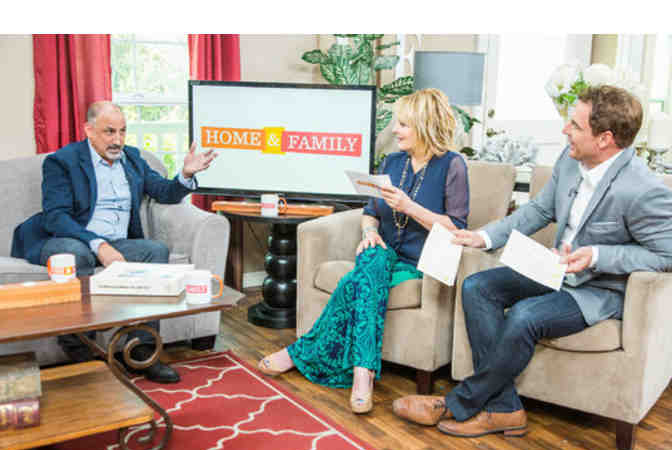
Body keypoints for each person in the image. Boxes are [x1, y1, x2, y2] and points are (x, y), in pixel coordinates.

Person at [392, 85, 672, 437]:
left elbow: (666, 254)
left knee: (525, 316)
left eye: (575, 125)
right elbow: (539, 210)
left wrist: (598, 256)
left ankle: (456, 404)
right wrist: (484, 237)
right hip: (554, 270)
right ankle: (505, 408)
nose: (565, 130)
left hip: (598, 289)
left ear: (605, 139)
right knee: (477, 287)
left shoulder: (642, 189)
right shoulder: (570, 160)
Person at [257, 88, 470, 413]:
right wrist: (369, 231)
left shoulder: (452, 166)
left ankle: (301, 354)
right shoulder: (392, 162)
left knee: (354, 283)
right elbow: (371, 212)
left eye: (403, 124)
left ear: (425, 125)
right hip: (381, 252)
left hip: (418, 262)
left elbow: (456, 227)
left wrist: (410, 207)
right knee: (371, 259)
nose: (395, 130)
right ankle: (363, 372)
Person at [11, 101, 217, 383]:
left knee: (155, 251)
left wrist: (186, 174)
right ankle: (81, 352)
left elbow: (163, 191)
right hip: (66, 238)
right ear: (89, 130)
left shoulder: (132, 159)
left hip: (116, 241)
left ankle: (143, 350)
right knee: (76, 254)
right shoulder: (63, 161)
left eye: (122, 131)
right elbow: (56, 217)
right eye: (109, 132)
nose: (117, 140)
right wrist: (99, 245)